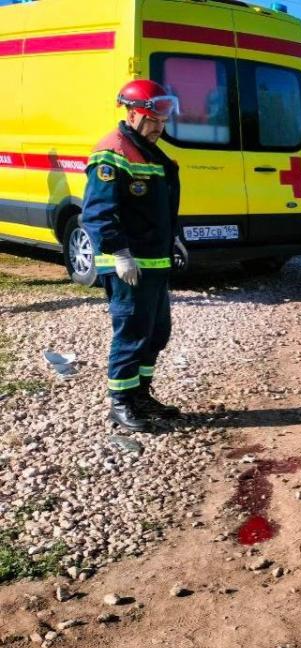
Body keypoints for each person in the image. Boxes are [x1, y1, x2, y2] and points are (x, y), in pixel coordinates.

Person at [82, 80, 187, 432]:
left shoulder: (148, 149)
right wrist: (120, 252)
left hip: (155, 262)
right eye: (153, 120)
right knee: (131, 333)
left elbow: (158, 208)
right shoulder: (113, 152)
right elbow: (98, 212)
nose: (159, 127)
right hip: (128, 263)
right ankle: (121, 403)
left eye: (162, 121)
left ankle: (140, 394)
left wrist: (175, 239)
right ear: (132, 113)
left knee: (156, 333)